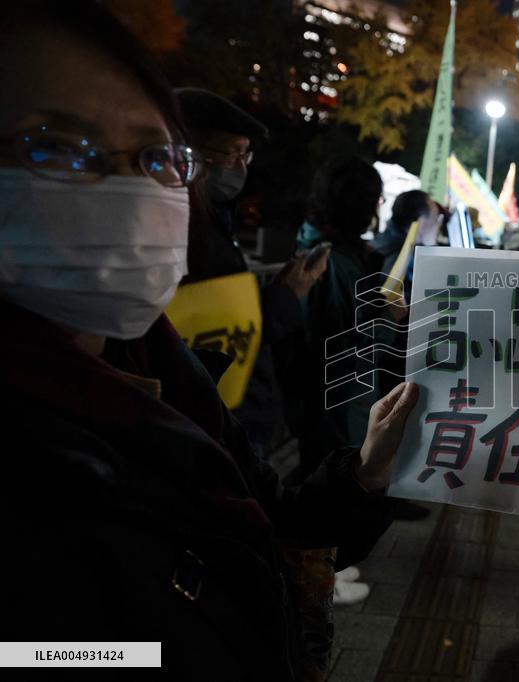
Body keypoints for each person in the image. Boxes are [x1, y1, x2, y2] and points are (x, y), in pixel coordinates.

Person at [0, 3, 416, 679]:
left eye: (156, 157)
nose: (130, 189)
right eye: (54, 147)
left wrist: (364, 470)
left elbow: (270, 520)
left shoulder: (163, 368)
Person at [176, 87, 327, 457]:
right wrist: (287, 296)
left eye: (246, 154)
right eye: (231, 153)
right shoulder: (179, 231)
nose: (242, 166)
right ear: (188, 156)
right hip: (210, 427)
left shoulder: (215, 222)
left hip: (235, 419)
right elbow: (212, 333)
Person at [295, 158, 429, 527]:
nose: (378, 208)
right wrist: (392, 316)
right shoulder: (334, 260)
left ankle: (329, 565)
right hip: (338, 393)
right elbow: (346, 340)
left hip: (332, 391)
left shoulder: (326, 246)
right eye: (376, 200)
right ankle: (326, 568)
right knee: (335, 472)